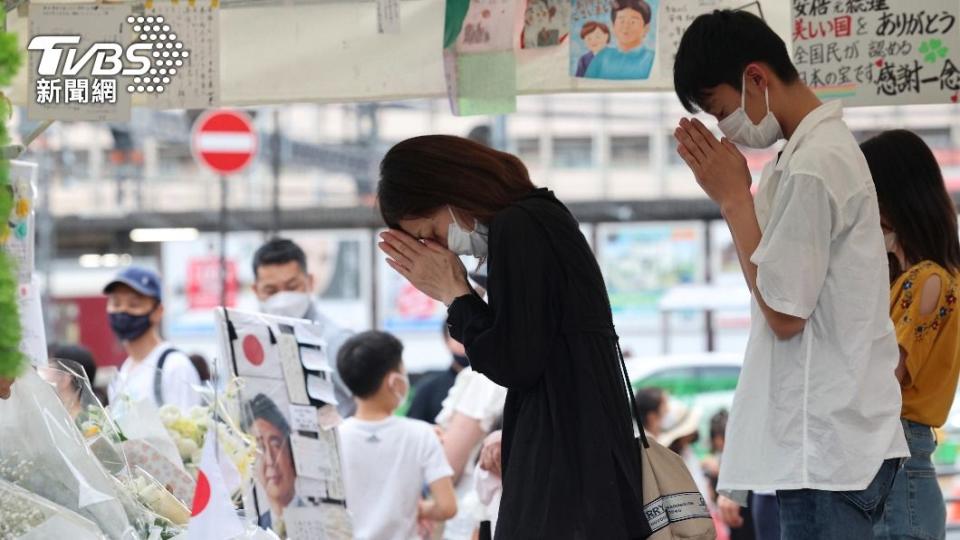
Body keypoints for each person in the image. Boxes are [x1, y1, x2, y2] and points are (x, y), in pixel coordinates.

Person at [672, 10, 909, 539]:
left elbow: (783, 313)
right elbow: (775, 290)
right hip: (830, 446)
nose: (724, 128)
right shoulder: (803, 156)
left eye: (722, 110)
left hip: (824, 450)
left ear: (756, 78)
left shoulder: (812, 164)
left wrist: (735, 199)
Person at [377, 135, 649, 538]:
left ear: (449, 192)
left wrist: (456, 292)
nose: (439, 250)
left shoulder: (519, 225)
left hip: (567, 462)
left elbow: (514, 360)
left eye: (431, 231)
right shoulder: (535, 219)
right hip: (579, 449)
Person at [861, 130, 960, 540]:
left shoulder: (925, 281)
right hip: (901, 466)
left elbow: (885, 378)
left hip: (896, 465)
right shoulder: (928, 277)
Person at [336, 331, 457, 540]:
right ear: (394, 381)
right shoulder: (422, 434)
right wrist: (420, 509)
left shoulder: (334, 436)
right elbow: (447, 507)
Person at [252, 237, 356, 418]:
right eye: (271, 290)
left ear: (310, 282)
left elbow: (368, 406)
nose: (282, 298)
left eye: (292, 287)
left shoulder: (337, 342)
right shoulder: (250, 343)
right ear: (256, 290)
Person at [105, 267, 201, 410]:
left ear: (158, 311)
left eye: (134, 304)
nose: (122, 311)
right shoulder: (121, 373)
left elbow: (190, 429)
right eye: (116, 303)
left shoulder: (174, 367)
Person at [246, 392, 301, 535]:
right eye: (260, 448)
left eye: (276, 444)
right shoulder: (254, 530)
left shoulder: (324, 520)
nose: (270, 460)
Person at [406, 320, 470, 425]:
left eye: (474, 335)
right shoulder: (428, 389)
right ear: (446, 341)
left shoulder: (497, 386)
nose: (467, 342)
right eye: (459, 337)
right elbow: (413, 429)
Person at [583, 0, 655, 80]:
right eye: (621, 21)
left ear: (646, 28)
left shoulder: (652, 59)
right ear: (612, 26)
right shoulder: (602, 56)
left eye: (633, 22)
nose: (626, 26)